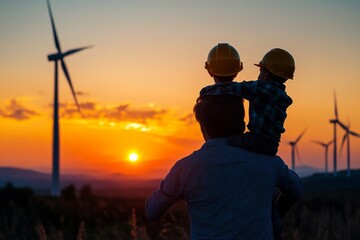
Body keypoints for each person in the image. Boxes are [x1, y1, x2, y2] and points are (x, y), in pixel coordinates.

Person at [145, 95, 302, 239]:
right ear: (242, 126)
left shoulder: (185, 168)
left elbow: (151, 210)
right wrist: (276, 212)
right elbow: (296, 189)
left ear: (203, 128)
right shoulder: (269, 162)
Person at [201, 44, 295, 156]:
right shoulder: (281, 96)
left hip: (256, 140)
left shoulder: (261, 88)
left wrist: (206, 91)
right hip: (272, 145)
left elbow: (234, 88)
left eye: (261, 71)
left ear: (265, 74)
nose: (259, 75)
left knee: (224, 142)